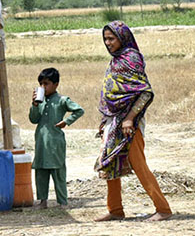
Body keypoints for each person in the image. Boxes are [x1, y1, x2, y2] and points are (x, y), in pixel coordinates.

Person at [94, 21, 172, 222]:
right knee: (110, 163)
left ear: (123, 37)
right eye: (105, 39)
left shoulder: (131, 59)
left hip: (131, 123)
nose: (108, 43)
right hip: (114, 121)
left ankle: (163, 208)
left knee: (138, 163)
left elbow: (144, 93)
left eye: (111, 38)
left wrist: (129, 119)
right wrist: (106, 121)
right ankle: (115, 210)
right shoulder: (115, 60)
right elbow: (111, 93)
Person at [28, 67, 84, 209]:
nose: (43, 87)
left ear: (56, 84)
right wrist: (34, 105)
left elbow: (79, 110)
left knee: (58, 171)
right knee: (40, 172)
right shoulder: (40, 101)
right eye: (41, 84)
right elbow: (33, 120)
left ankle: (62, 201)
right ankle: (42, 201)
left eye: (46, 84)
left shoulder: (62, 100)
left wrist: (66, 121)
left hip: (55, 142)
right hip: (41, 142)